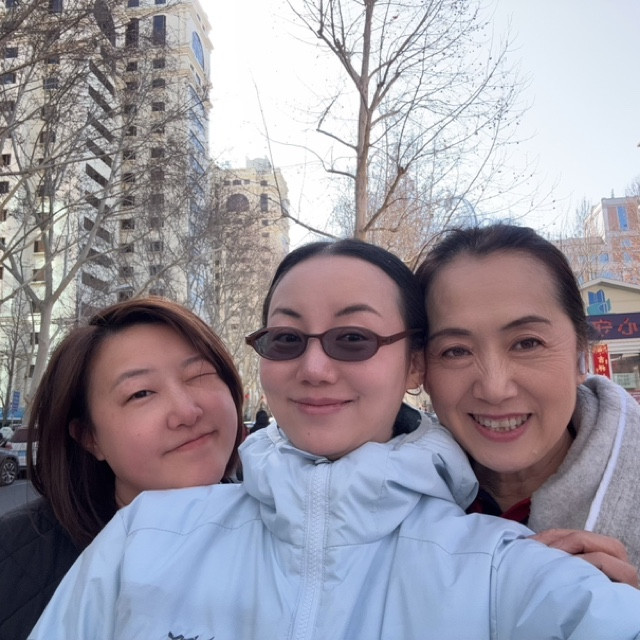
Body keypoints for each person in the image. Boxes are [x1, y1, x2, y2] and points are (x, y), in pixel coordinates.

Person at [30, 240, 640, 640]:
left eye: (354, 339)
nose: (315, 369)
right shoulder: (143, 536)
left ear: (414, 364)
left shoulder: (504, 563)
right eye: (287, 339)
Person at [0, 297, 244, 640]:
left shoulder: (288, 532)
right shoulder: (13, 558)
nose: (187, 412)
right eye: (141, 393)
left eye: (199, 374)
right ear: (89, 438)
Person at [416, 223, 640, 585]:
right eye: (455, 351)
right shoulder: (383, 504)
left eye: (527, 343)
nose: (494, 389)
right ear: (422, 370)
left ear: (581, 355)